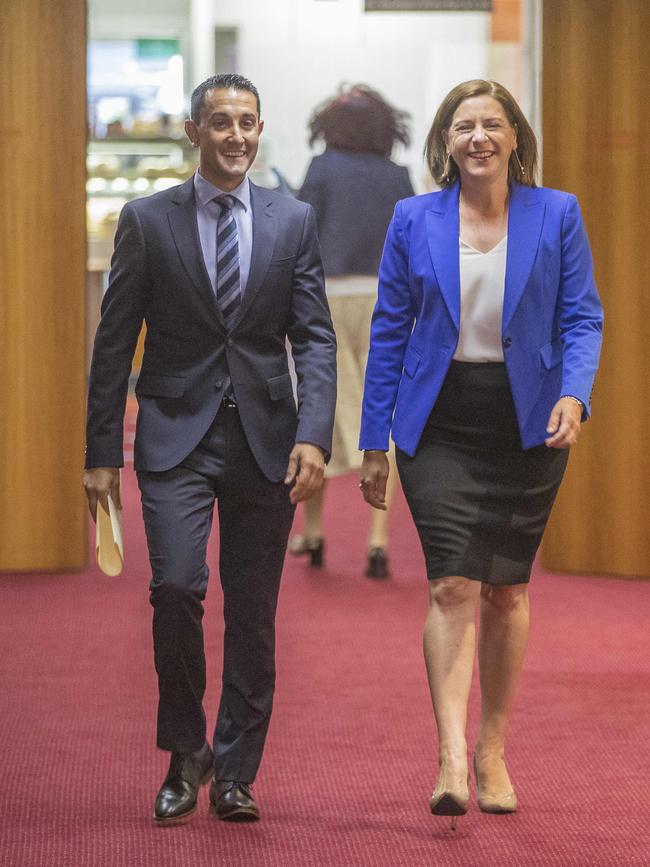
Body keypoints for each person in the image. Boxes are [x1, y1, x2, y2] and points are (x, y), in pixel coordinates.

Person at [83, 73, 336, 825]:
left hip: (266, 437)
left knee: (254, 611)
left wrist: (317, 433)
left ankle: (235, 769)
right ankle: (184, 749)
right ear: (194, 131)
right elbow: (113, 342)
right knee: (176, 589)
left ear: (260, 130)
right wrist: (102, 450)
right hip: (172, 434)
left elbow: (315, 337)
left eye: (248, 123)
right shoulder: (147, 220)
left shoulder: (293, 220)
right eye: (221, 122)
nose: (236, 136)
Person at [359, 80, 603, 827]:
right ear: (446, 140)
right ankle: (451, 755)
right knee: (451, 586)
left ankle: (494, 747)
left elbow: (582, 315)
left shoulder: (556, 212)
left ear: (514, 137)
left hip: (528, 422)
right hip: (438, 423)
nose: (478, 137)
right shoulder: (413, 217)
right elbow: (389, 330)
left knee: (506, 591)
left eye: (491, 124)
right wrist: (374, 441)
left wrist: (575, 392)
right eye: (463, 125)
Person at [292, 84, 414, 578]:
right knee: (383, 414)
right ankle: (378, 542)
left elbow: (299, 233)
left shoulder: (322, 170)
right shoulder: (397, 176)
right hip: (386, 300)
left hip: (327, 297)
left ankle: (315, 534)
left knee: (317, 410)